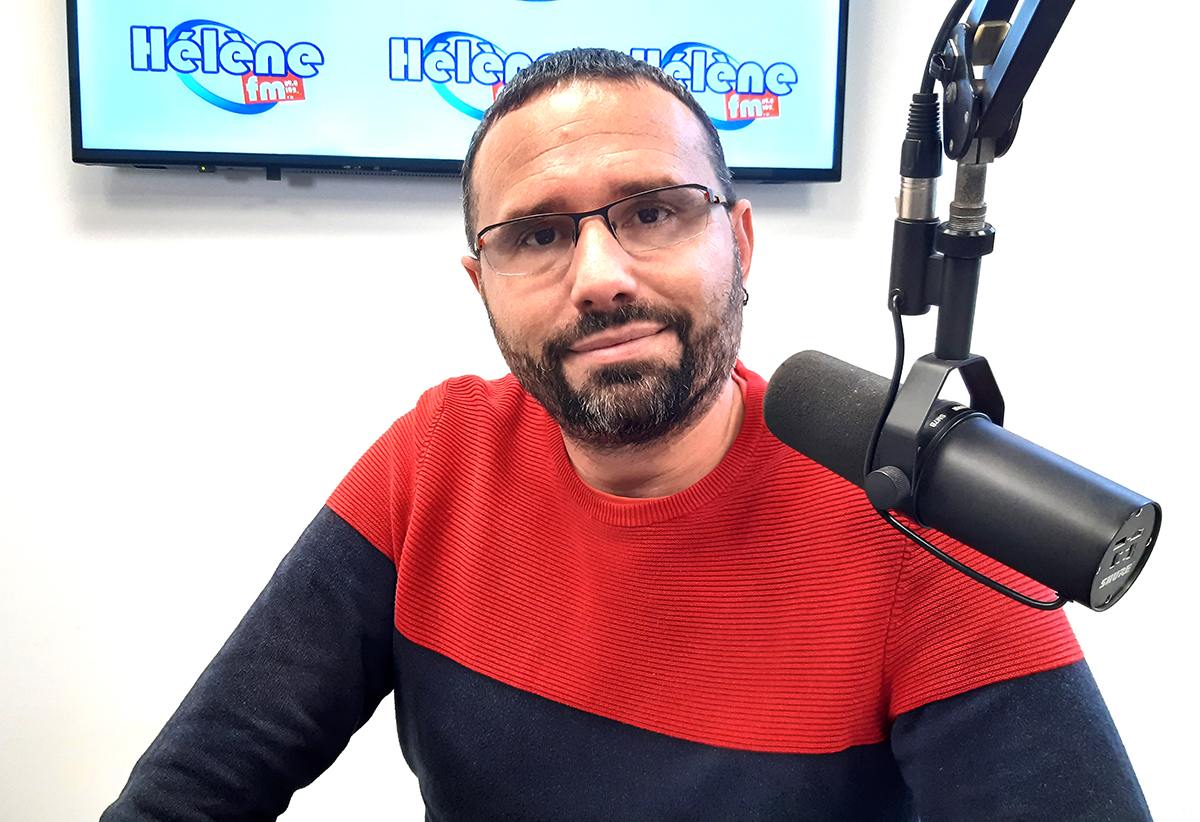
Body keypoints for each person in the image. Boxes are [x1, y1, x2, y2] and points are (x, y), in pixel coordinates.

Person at [101, 48, 1150, 821]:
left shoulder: (913, 515)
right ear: (482, 283)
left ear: (738, 241)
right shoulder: (435, 460)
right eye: (537, 234)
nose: (601, 277)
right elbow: (198, 784)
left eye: (653, 212)